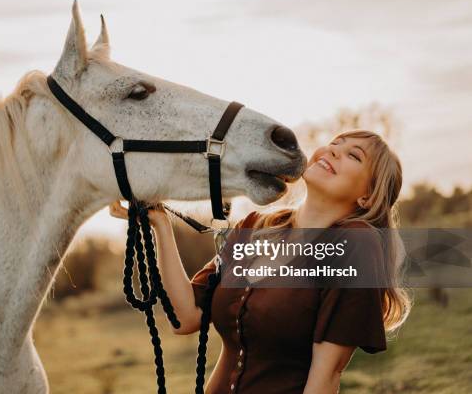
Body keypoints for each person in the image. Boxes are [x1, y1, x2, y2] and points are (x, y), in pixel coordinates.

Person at [109, 129, 411, 393]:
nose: (333, 150)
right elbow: (186, 316)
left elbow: (327, 376)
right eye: (335, 142)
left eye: (353, 155)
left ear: (368, 197)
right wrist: (160, 224)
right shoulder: (254, 227)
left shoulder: (355, 245)